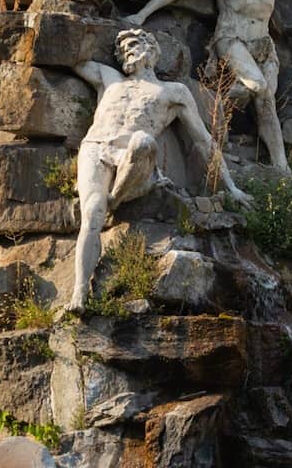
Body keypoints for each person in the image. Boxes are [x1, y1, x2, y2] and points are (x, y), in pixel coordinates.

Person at [67, 29, 249, 312]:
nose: (127, 50)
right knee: (91, 215)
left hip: (134, 160)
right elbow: (74, 59)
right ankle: (79, 294)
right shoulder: (108, 77)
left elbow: (203, 140)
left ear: (152, 51)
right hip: (95, 148)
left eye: (134, 44)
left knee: (142, 141)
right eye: (123, 48)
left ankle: (114, 198)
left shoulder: (172, 92)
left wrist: (231, 186)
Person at [126, 0, 290, 173]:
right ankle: (224, 117)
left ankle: (282, 167)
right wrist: (142, 15)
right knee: (259, 87)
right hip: (232, 37)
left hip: (264, 43)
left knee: (267, 101)